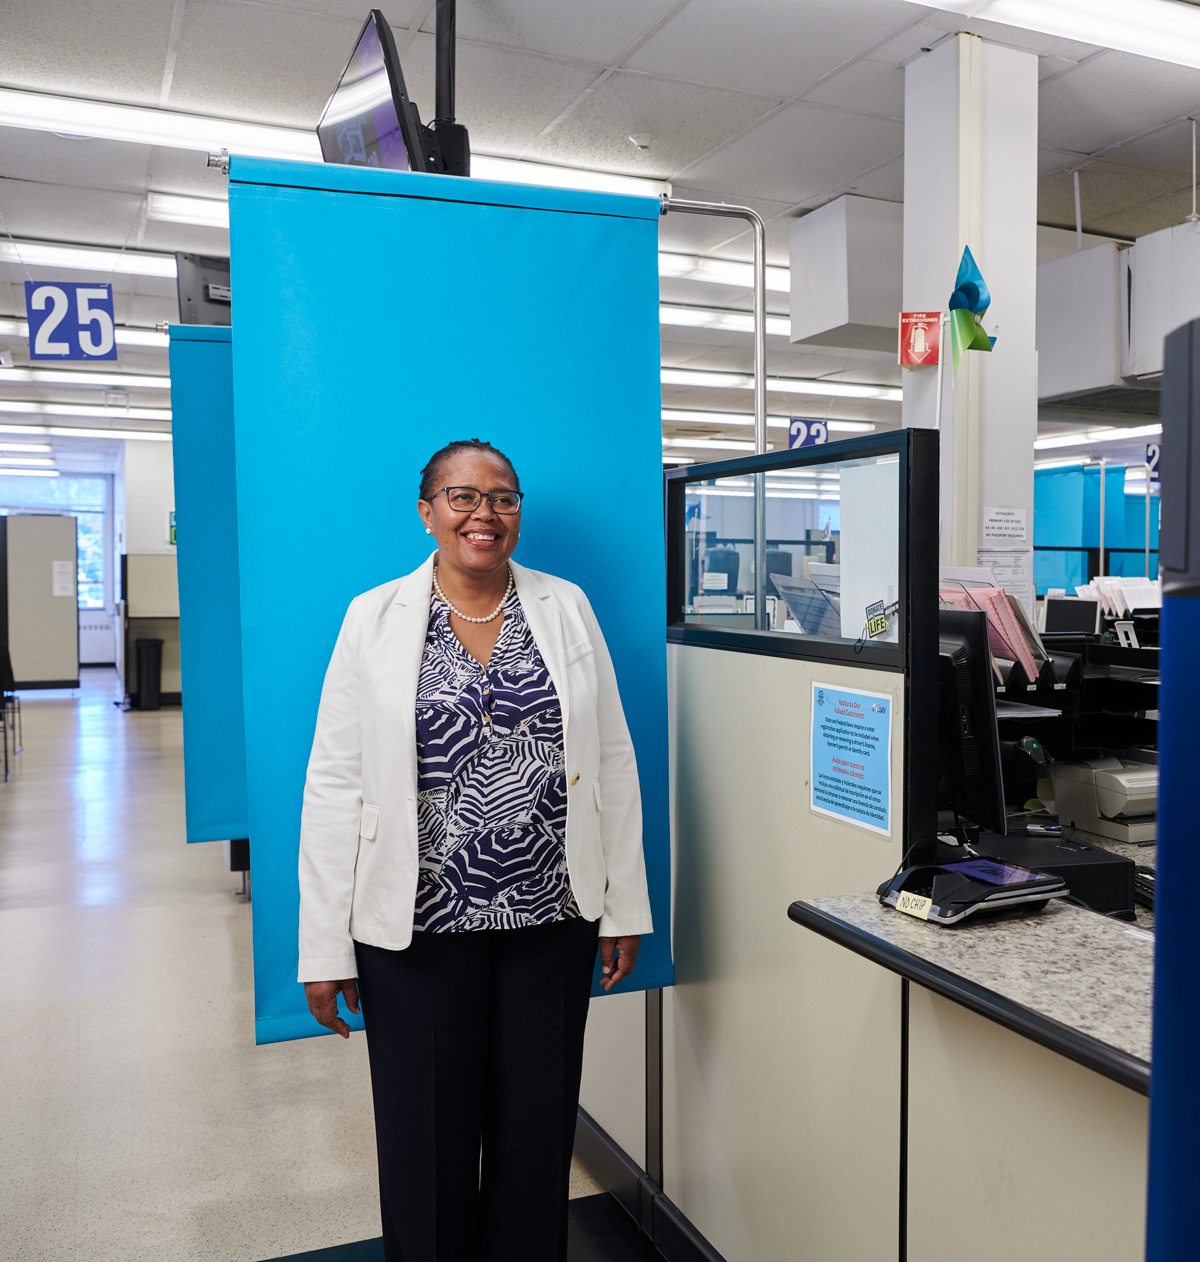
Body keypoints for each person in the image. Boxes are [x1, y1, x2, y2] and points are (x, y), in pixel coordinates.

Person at [297, 438, 653, 1262]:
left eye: (502, 498)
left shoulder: (566, 607)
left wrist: (623, 903)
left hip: (551, 921)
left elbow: (611, 760)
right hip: (415, 932)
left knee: (536, 1145)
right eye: (461, 497)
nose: (483, 514)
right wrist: (324, 946)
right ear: (427, 512)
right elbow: (332, 785)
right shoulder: (373, 617)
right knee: (425, 1146)